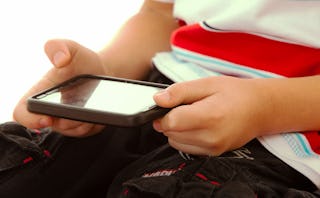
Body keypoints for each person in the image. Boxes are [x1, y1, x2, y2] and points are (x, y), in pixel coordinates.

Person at [1, 0, 319, 197]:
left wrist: (268, 107)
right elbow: (159, 12)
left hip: (290, 134)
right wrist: (105, 71)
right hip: (158, 91)